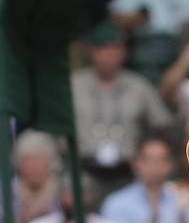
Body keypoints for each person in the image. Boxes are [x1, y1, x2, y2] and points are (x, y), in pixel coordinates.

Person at [70, 19, 174, 197]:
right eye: (102, 49)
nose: (109, 55)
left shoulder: (138, 85)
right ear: (91, 51)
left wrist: (145, 155)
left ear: (124, 52)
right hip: (84, 171)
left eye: (115, 49)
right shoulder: (74, 85)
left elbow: (162, 124)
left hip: (129, 172)